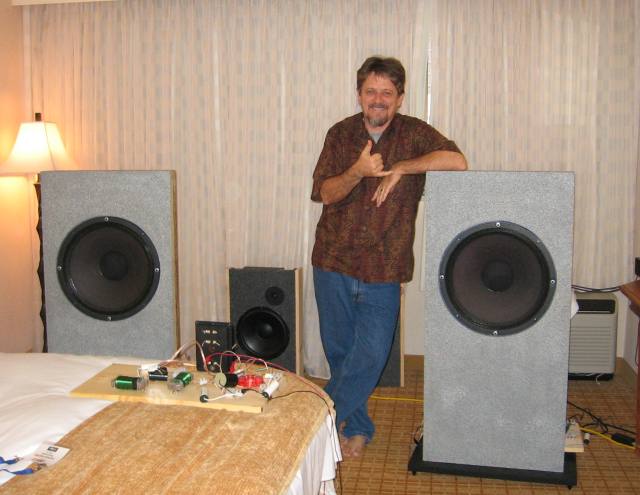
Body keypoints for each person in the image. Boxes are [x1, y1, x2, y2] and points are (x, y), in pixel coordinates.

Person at [310, 56, 467, 458]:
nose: (378, 100)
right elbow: (324, 193)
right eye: (370, 91)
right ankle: (356, 427)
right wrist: (358, 172)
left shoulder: (414, 133)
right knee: (341, 353)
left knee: (371, 354)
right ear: (359, 94)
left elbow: (457, 161)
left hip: (385, 266)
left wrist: (403, 168)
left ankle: (314, 422)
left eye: (386, 93)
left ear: (399, 97)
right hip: (333, 261)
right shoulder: (340, 134)